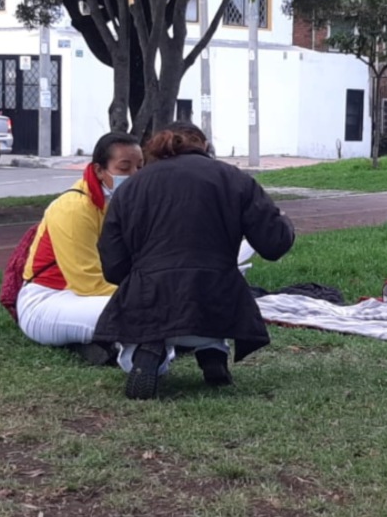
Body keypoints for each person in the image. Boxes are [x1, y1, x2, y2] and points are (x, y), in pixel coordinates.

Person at [95, 122, 295, 399]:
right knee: (220, 283)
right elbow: (274, 244)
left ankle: (150, 347)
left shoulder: (130, 188)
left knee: (148, 320)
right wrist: (283, 221)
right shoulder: (234, 179)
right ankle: (213, 351)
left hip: (149, 299)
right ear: (204, 146)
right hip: (217, 298)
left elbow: (113, 266)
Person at [16, 132, 144, 364]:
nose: (135, 175)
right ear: (98, 170)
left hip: (89, 297)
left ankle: (99, 343)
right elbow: (88, 282)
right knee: (140, 310)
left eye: (140, 167)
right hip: (47, 300)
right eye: (125, 168)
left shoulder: (123, 203)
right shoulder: (74, 208)